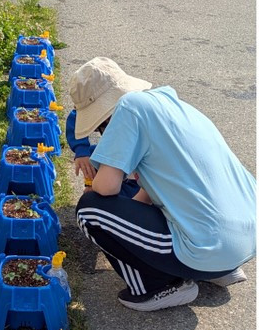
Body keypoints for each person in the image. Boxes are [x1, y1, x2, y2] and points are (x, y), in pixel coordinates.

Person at [69, 57, 256, 311]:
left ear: (105, 116)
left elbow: (105, 188)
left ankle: (154, 287)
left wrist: (101, 193)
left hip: (209, 247)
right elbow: (162, 185)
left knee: (90, 208)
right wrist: (129, 225)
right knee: (134, 192)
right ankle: (215, 271)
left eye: (101, 128)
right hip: (244, 240)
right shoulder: (176, 107)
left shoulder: (128, 108)